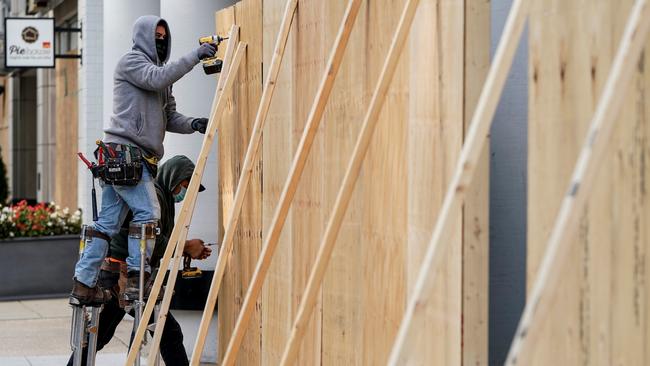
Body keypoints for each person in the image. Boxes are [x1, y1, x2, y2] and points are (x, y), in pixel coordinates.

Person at [70, 15, 216, 304]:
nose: (161, 41)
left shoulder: (162, 76)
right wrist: (196, 56)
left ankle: (84, 283)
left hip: (131, 158)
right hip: (127, 154)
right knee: (149, 215)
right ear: (143, 37)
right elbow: (156, 78)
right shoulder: (132, 62)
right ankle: (140, 280)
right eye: (156, 36)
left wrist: (193, 123)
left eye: (164, 37)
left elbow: (169, 116)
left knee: (106, 225)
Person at [67, 156, 213, 366]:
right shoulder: (153, 195)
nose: (186, 191)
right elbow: (148, 238)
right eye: (185, 184)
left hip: (122, 273)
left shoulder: (160, 196)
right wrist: (186, 246)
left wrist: (185, 248)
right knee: (168, 333)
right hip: (122, 275)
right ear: (175, 177)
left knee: (99, 336)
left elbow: (153, 240)